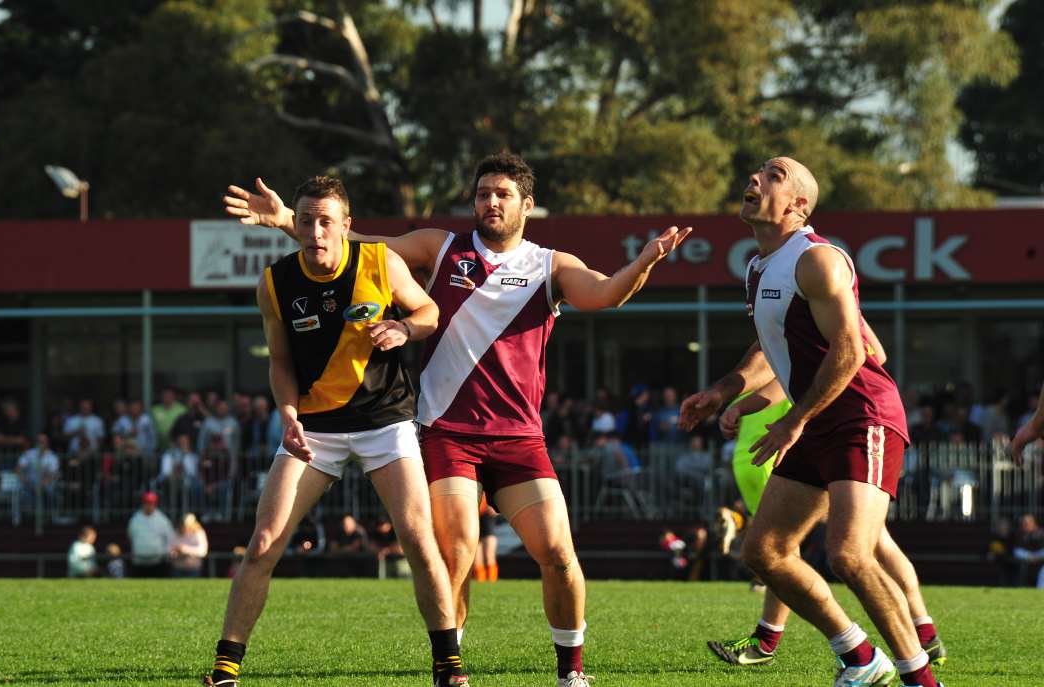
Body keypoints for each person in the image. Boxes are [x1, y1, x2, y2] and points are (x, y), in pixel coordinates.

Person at [226, 153, 690, 687]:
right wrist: (290, 221)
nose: (490, 202)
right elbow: (354, 249)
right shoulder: (439, 247)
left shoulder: (549, 265)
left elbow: (605, 293)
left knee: (558, 553)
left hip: (519, 437)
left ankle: (571, 671)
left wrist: (644, 263)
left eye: (502, 194)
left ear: (527, 205)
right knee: (455, 551)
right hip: (446, 433)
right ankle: (450, 668)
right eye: (482, 193)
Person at [680, 157, 940, 687]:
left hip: (862, 416)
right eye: (756, 173)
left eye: (773, 176)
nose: (754, 180)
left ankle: (921, 678)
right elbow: (768, 346)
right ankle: (860, 657)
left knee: (851, 553)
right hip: (818, 419)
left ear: (799, 206)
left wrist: (794, 419)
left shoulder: (818, 259)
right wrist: (723, 391)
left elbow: (853, 351)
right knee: (764, 551)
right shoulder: (758, 267)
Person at [205, 176, 468, 687]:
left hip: (384, 422)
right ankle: (225, 669)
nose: (315, 231)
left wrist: (404, 328)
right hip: (314, 431)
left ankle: (449, 666)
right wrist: (287, 414)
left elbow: (430, 312)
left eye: (326, 221)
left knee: (418, 539)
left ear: (346, 225)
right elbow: (281, 363)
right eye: (305, 221)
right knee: (263, 543)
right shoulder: (275, 283)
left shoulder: (380, 262)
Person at [707, 379, 947, 670]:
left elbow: (858, 356)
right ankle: (917, 639)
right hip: (814, 436)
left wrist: (756, 408)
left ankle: (909, 653)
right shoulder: (780, 350)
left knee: (847, 553)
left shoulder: (818, 350)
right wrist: (728, 399)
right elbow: (774, 368)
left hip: (846, 429)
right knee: (789, 549)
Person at [127, 491, 176, 577]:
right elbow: (130, 535)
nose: (148, 506)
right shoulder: (135, 520)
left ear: (155, 504)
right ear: (143, 504)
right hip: (140, 562)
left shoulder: (162, 520)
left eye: (151, 503)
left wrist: (166, 553)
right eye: (146, 503)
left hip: (158, 562)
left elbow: (170, 538)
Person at [1011, 382, 1044, 465]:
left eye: (1034, 399)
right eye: (1030, 400)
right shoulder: (1024, 417)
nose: (1031, 402)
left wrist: (1033, 428)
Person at [171, 512, 209, 578]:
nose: (185, 527)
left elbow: (203, 551)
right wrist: (175, 551)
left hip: (193, 569)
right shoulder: (175, 532)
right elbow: (169, 549)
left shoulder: (199, 533)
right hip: (177, 568)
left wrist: (184, 549)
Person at [473, 495, 499, 582]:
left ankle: (492, 581)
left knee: (489, 554)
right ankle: (480, 581)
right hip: (471, 512)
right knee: (476, 556)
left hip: (486, 512)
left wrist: (495, 504)